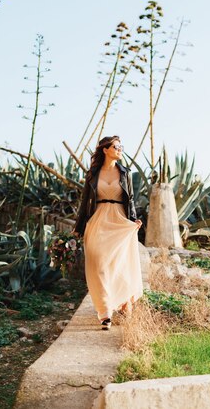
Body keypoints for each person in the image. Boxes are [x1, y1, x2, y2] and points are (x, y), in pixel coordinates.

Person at [72, 135, 143, 330]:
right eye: (116, 146)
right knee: (98, 265)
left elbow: (131, 199)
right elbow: (85, 202)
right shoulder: (92, 175)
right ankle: (104, 313)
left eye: (121, 146)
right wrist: (78, 228)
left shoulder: (125, 173)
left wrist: (134, 219)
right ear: (105, 149)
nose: (120, 149)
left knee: (120, 266)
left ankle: (122, 301)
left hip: (120, 221)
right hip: (98, 221)